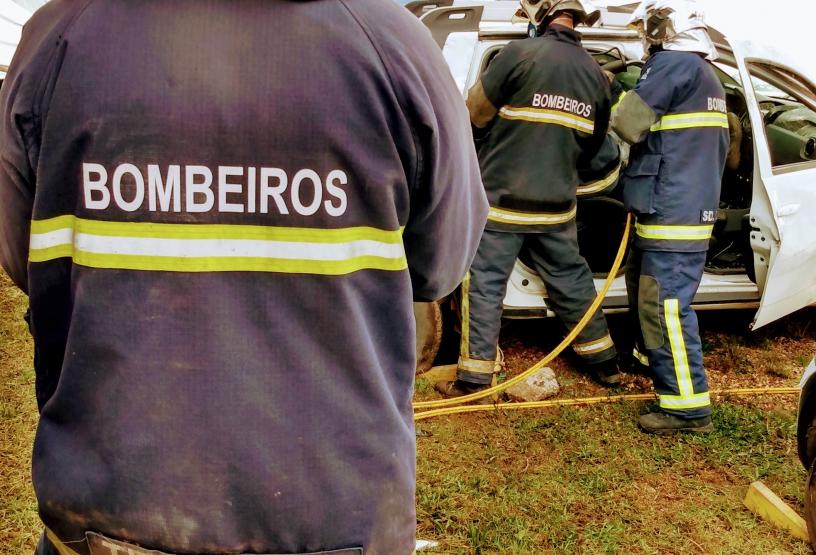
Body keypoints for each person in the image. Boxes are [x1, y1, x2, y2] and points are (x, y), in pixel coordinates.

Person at [0, 1, 487, 553]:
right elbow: (442, 263)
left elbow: (25, 257)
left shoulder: (59, 37)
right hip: (335, 513)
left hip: (108, 509)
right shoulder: (394, 44)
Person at [435, 0, 624, 399]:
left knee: (485, 284)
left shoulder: (517, 55)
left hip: (501, 202)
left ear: (540, 16)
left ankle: (474, 377)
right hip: (556, 205)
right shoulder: (595, 76)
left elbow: (474, 114)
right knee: (571, 279)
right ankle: (604, 363)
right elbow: (595, 148)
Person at [612, 0, 729, 434]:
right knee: (650, 293)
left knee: (666, 306)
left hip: (672, 209)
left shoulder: (673, 65)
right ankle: (652, 363)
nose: (647, 33)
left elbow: (628, 123)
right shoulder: (704, 72)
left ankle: (686, 407)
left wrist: (613, 95)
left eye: (649, 25)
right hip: (678, 205)